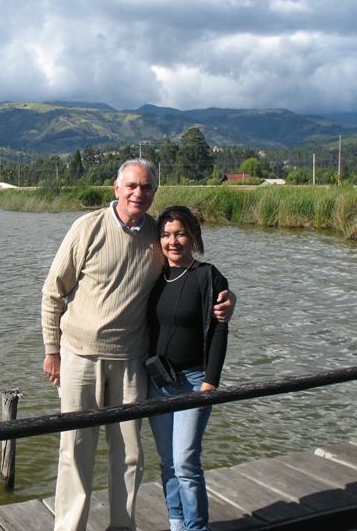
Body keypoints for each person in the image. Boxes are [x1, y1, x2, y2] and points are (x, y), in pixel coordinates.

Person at [42, 159, 235, 531]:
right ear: (116, 188)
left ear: (154, 193)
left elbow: (189, 276)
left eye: (146, 187)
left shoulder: (157, 234)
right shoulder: (87, 228)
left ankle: (122, 527)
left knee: (130, 454)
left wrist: (227, 299)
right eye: (131, 186)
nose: (138, 193)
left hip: (132, 361)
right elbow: (53, 292)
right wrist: (52, 351)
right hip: (80, 357)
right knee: (76, 451)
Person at [146, 206, 230, 531]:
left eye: (180, 233)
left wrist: (211, 382)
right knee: (167, 462)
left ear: (193, 235)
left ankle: (196, 528)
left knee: (185, 461)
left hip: (194, 381)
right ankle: (176, 523)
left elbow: (220, 330)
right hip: (157, 383)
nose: (173, 241)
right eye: (165, 235)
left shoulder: (208, 276)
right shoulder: (155, 277)